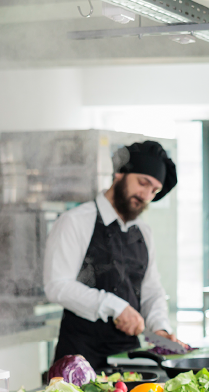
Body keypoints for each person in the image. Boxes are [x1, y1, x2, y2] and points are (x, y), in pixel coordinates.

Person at [44, 141, 180, 369]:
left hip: (128, 361)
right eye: (143, 183)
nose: (146, 195)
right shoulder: (75, 221)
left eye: (154, 191)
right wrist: (115, 307)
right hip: (79, 360)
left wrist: (160, 328)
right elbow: (57, 285)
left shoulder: (143, 232)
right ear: (120, 174)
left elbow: (151, 290)